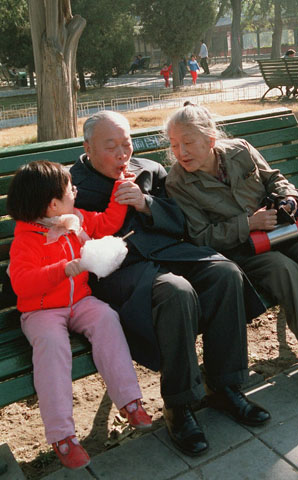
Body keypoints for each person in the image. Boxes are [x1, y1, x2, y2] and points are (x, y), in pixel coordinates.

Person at [70, 111, 270, 458]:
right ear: (88, 148)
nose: (122, 154)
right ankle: (179, 404)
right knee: (176, 292)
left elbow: (182, 222)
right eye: (111, 147)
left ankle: (225, 385)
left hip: (168, 253)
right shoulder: (71, 185)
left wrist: (147, 204)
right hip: (119, 271)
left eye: (126, 144)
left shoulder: (149, 170)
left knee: (224, 273)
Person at [164, 103, 298, 377]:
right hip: (242, 249)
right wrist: (248, 223)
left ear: (210, 140)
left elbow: (274, 179)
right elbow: (201, 236)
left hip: (279, 231)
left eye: (188, 143)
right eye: (174, 145)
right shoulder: (178, 182)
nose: (181, 152)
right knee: (283, 269)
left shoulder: (240, 150)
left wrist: (288, 198)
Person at [7, 161, 152, 471]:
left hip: (80, 301)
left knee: (107, 319)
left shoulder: (75, 219)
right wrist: (61, 269)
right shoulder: (26, 240)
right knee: (53, 347)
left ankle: (130, 401)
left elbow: (109, 223)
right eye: (69, 189)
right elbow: (22, 283)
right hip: (41, 311)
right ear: (52, 204)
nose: (75, 191)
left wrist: (119, 188)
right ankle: (62, 436)